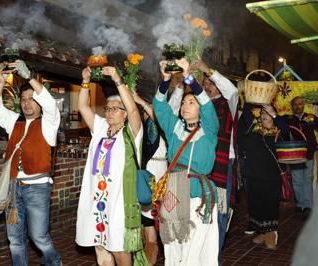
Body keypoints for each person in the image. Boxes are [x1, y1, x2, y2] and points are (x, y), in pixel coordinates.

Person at [0, 60, 61, 266]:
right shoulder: (15, 122)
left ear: (38, 103)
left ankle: (54, 262)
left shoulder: (49, 123)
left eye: (31, 99)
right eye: (23, 99)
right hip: (13, 189)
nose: (26, 103)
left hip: (38, 188)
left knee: (39, 238)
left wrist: (28, 75)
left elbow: (50, 103)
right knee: (14, 240)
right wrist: (0, 81)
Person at [76, 66, 147, 266]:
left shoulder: (132, 133)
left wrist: (117, 78)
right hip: (97, 201)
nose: (109, 112)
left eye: (116, 108)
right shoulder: (100, 128)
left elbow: (133, 108)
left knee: (119, 250)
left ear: (125, 114)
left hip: (119, 203)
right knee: (100, 248)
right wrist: (85, 82)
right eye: (107, 109)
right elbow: (82, 107)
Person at [153, 58, 219, 266]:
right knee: (173, 244)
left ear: (200, 109)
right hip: (174, 189)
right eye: (183, 102)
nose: (185, 105)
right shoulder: (174, 129)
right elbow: (159, 106)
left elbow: (208, 107)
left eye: (191, 103)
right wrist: (166, 79)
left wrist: (188, 77)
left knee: (195, 245)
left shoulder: (209, 130)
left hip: (199, 193)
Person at [193, 60, 238, 258]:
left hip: (221, 164)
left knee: (218, 214)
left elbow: (232, 90)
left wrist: (207, 71)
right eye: (205, 83)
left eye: (211, 82)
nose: (208, 85)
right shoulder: (197, 105)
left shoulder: (229, 102)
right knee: (196, 212)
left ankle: (213, 260)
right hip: (198, 164)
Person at [237, 103, 289, 250]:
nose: (264, 114)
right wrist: (250, 102)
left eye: (267, 113)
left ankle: (271, 233)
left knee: (269, 204)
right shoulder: (253, 129)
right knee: (255, 204)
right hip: (253, 175)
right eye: (262, 112)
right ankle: (262, 231)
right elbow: (246, 116)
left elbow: (286, 129)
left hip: (271, 177)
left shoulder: (279, 132)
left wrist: (274, 114)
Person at [132, 92, 168, 265]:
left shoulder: (156, 126)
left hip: (155, 172)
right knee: (148, 216)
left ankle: (150, 257)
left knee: (150, 216)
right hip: (152, 170)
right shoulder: (145, 127)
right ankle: (149, 255)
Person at [287, 96, 318, 218]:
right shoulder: (288, 119)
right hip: (295, 155)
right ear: (292, 106)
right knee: (297, 181)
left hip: (309, 154)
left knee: (307, 180)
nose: (297, 106)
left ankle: (308, 206)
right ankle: (300, 205)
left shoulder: (311, 117)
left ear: (303, 105)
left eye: (300, 104)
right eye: (295, 104)